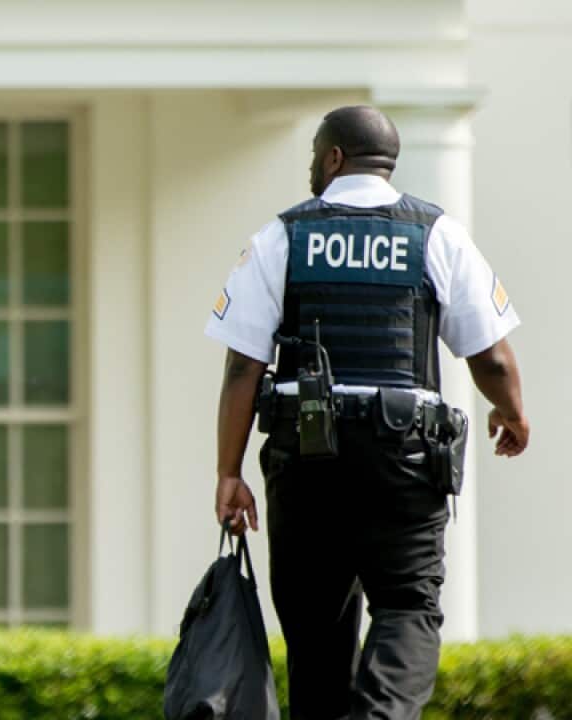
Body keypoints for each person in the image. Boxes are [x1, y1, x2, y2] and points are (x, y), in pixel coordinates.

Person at [204, 105, 529, 719]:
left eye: (313, 158)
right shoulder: (435, 233)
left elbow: (243, 367)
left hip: (305, 459)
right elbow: (491, 355)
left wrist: (229, 471)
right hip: (404, 456)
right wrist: (511, 412)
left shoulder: (282, 236)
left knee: (316, 628)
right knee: (408, 606)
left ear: (333, 158)